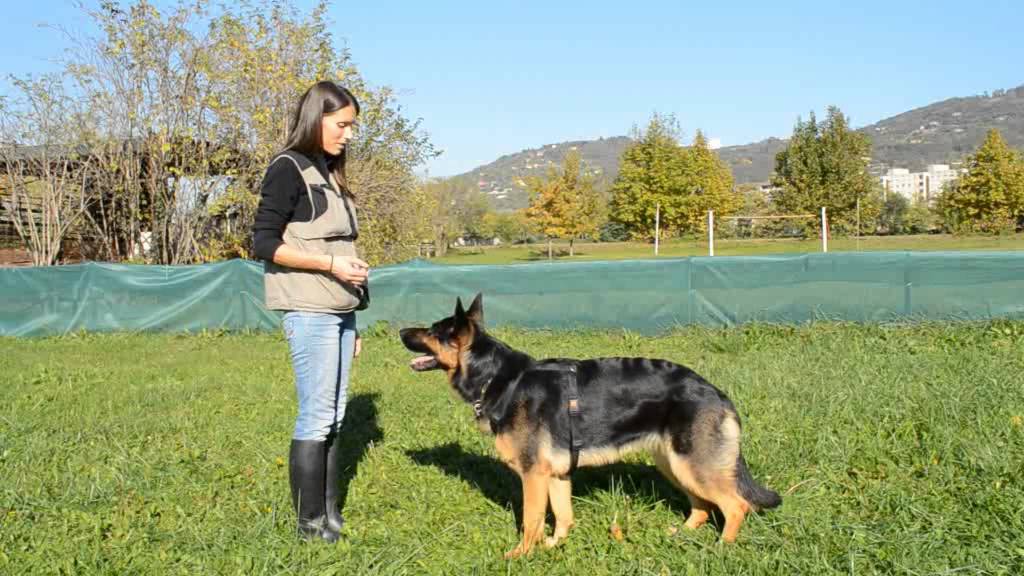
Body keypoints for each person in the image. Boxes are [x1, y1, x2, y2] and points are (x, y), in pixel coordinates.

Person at [251, 81, 369, 542]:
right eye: (341, 125)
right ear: (315, 118)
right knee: (317, 417)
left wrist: (355, 316)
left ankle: (329, 512)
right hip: (309, 310)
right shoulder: (287, 169)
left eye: (352, 126)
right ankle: (308, 525)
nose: (348, 135)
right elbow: (264, 242)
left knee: (336, 416)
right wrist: (329, 265)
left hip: (339, 312)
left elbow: (346, 248)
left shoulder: (329, 172)